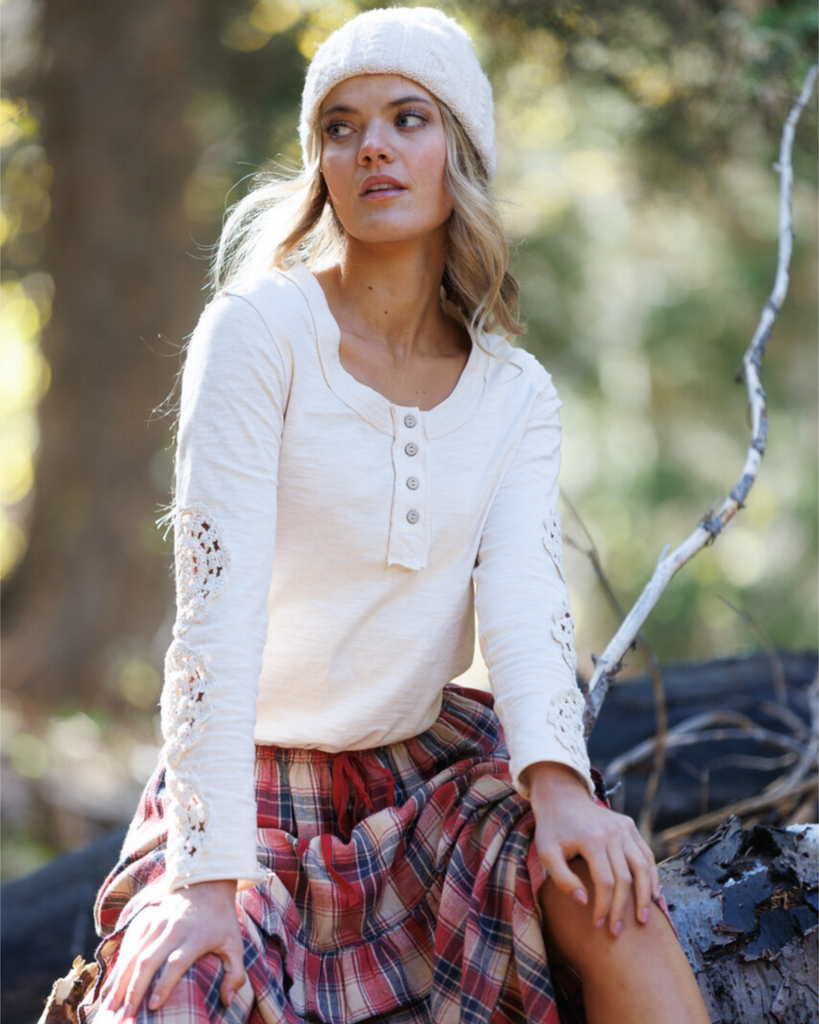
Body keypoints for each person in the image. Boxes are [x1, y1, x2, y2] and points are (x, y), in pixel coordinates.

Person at [80, 8, 711, 1024]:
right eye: (341, 126)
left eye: (407, 117)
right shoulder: (258, 332)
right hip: (250, 788)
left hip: (430, 775)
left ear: (459, 150)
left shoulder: (516, 393)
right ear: (322, 164)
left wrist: (559, 786)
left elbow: (522, 604)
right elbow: (215, 614)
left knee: (610, 892)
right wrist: (204, 883)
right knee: (180, 989)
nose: (371, 144)